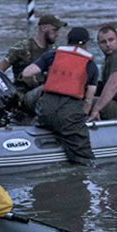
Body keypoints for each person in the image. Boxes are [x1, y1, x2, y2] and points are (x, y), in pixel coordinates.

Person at [20, 26, 99, 163]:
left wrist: (32, 82)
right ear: (86, 44)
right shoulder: (91, 65)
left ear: (68, 41)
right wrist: (82, 118)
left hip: (45, 108)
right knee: (84, 158)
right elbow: (88, 99)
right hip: (69, 113)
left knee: (41, 119)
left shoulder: (51, 55)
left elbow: (27, 73)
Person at [0, 14, 66, 114]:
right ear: (44, 28)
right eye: (54, 30)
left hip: (46, 94)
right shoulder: (22, 47)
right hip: (24, 96)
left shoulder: (54, 50)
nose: (58, 34)